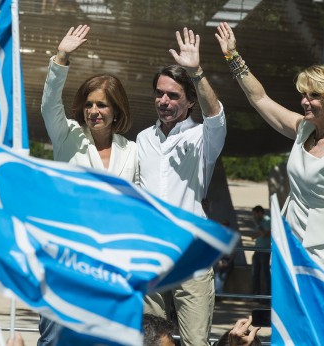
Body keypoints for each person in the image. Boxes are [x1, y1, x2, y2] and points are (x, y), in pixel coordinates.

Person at [215, 22, 324, 285]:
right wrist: (233, 56)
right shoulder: (304, 129)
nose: (305, 101)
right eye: (304, 95)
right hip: (289, 245)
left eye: (314, 95)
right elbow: (260, 99)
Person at [37, 24, 138, 345]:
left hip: (111, 261)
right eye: (89, 104)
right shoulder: (67, 134)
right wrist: (62, 57)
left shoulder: (132, 150)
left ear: (116, 109)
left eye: (102, 105)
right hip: (65, 254)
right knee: (55, 336)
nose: (94, 111)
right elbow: (49, 104)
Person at [138, 27, 226, 346]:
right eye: (160, 93)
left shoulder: (202, 137)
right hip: (150, 255)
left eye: (173, 95)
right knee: (150, 341)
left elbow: (216, 116)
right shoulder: (142, 139)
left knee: (195, 343)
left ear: (189, 102)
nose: (164, 100)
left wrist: (197, 72)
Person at [250, 206, 270, 296]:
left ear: (260, 213)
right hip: (257, 250)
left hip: (264, 251)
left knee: (265, 274)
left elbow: (264, 234)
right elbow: (255, 235)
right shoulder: (259, 222)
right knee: (255, 274)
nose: (253, 216)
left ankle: (266, 296)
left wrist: (257, 225)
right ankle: (255, 296)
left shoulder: (267, 221)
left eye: (255, 214)